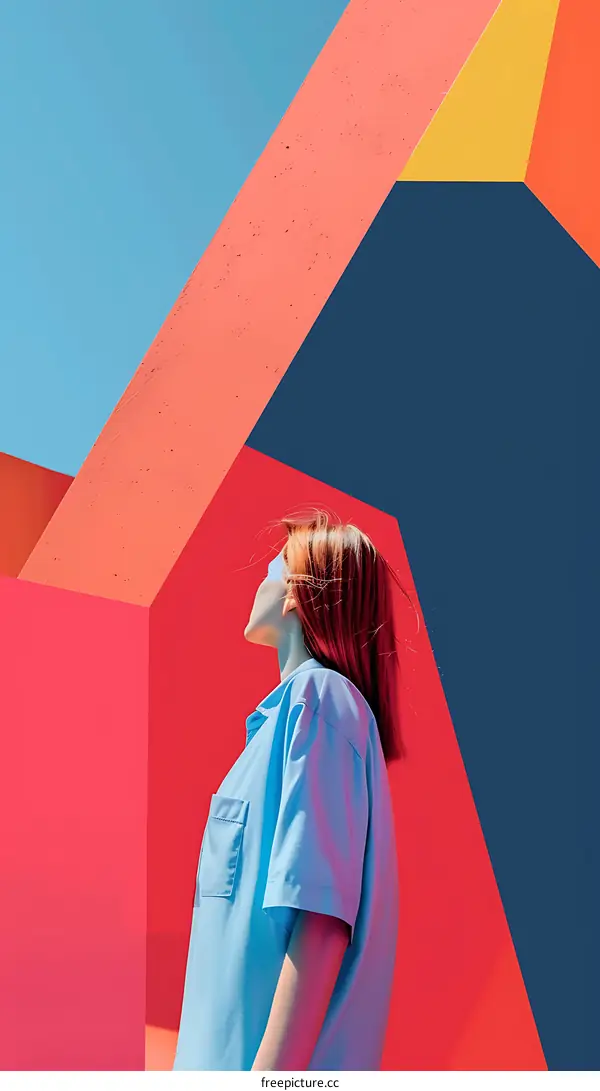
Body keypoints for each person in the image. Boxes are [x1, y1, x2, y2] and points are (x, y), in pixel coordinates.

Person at [173, 511, 405, 1071]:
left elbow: (321, 921)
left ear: (297, 593)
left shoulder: (319, 701)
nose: (259, 583)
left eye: (272, 569)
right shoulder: (291, 720)